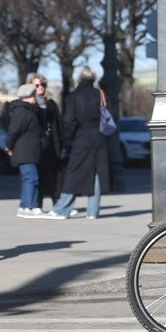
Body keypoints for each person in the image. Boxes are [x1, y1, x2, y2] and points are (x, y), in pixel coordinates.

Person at [44, 67, 112, 220]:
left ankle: (62, 209)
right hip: (100, 137)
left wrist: (73, 136)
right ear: (93, 78)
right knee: (95, 173)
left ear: (80, 79)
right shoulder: (100, 94)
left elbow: (69, 121)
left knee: (73, 173)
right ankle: (92, 211)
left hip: (82, 137)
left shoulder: (73, 96)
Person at [6, 83, 43, 218]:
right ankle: (28, 206)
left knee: (30, 178)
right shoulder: (22, 112)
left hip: (29, 150)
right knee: (31, 178)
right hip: (25, 151)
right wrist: (9, 146)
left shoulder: (27, 110)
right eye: (33, 95)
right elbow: (14, 131)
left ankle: (26, 206)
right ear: (28, 96)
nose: (35, 98)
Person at [31, 73, 64, 210]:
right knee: (37, 175)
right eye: (37, 85)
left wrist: (61, 144)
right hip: (35, 145)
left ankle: (57, 203)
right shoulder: (29, 104)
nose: (40, 88)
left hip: (51, 144)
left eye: (43, 85)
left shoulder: (51, 104)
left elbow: (59, 125)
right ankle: (37, 204)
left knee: (53, 175)